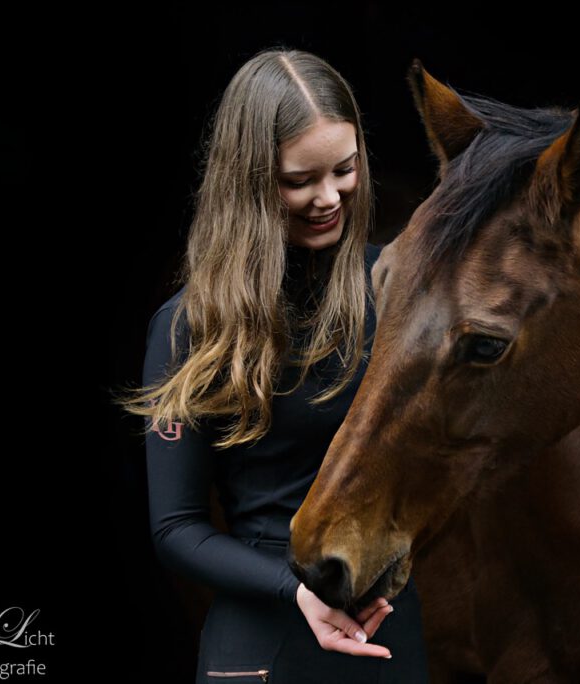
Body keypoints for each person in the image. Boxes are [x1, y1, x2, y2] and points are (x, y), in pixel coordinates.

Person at [117, 47, 430, 683]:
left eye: (344, 170)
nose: (329, 197)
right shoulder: (190, 327)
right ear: (250, 180)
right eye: (299, 180)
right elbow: (176, 528)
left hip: (389, 638)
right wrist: (297, 593)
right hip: (263, 647)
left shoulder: (394, 289)